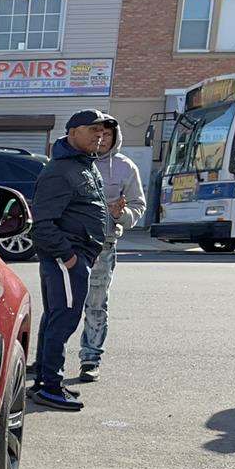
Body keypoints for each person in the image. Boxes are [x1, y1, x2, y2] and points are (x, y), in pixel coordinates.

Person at [29, 109, 115, 411]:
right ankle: (50, 387)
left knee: (56, 316)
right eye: (93, 129)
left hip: (77, 257)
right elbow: (41, 225)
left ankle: (44, 379)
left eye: (103, 131)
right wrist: (69, 258)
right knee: (64, 319)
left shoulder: (83, 165)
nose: (100, 135)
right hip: (67, 260)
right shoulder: (60, 170)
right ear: (73, 132)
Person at [76, 124, 145, 381]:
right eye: (97, 133)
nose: (102, 138)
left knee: (95, 304)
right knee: (60, 304)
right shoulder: (72, 163)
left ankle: (90, 358)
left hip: (102, 245)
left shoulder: (126, 167)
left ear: (115, 138)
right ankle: (50, 357)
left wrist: (121, 214)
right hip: (69, 243)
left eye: (108, 134)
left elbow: (138, 206)